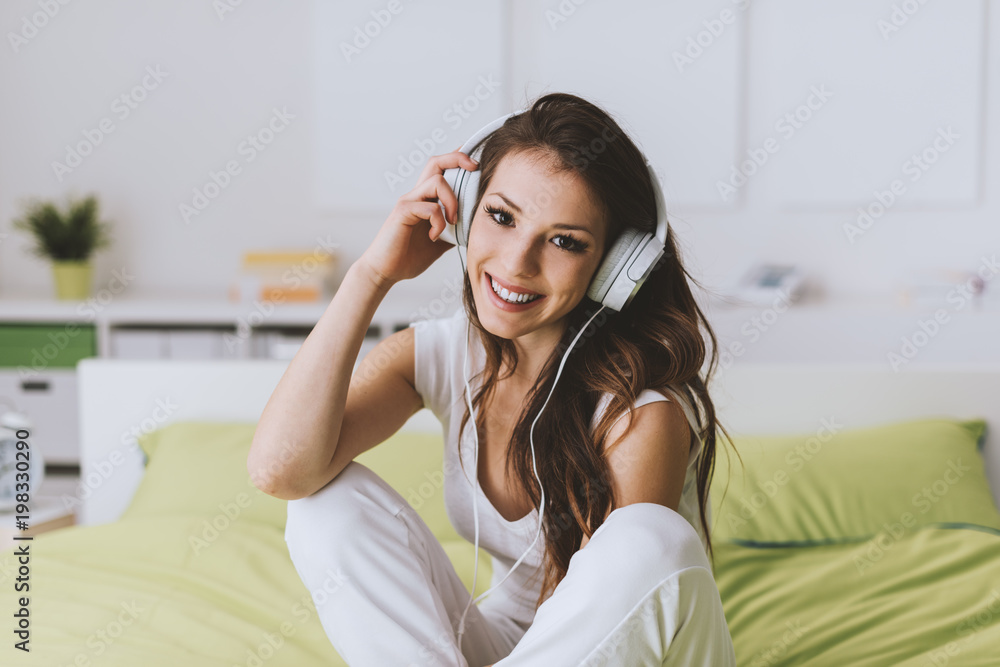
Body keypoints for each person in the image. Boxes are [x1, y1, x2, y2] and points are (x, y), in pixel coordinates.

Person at [248, 92, 738, 666]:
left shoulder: (641, 411)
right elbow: (280, 471)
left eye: (565, 241)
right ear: (463, 212)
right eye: (501, 217)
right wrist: (373, 273)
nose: (515, 263)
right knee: (322, 502)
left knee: (649, 539)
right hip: (513, 649)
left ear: (614, 268)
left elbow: (606, 624)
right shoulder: (443, 354)